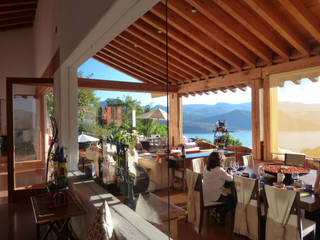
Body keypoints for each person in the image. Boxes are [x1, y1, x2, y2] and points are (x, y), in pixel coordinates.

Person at [203, 151, 234, 223]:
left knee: (226, 195)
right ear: (220, 161)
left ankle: (216, 211)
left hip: (205, 194)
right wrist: (231, 173)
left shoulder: (206, 168)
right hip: (214, 196)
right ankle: (219, 213)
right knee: (232, 199)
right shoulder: (219, 170)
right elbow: (231, 179)